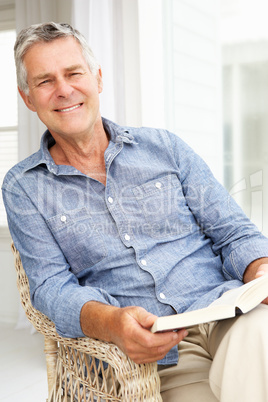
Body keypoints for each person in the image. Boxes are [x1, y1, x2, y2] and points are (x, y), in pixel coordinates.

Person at [2, 22, 268, 401]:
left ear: (97, 79)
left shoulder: (164, 147)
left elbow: (234, 231)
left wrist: (260, 271)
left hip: (228, 314)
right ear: (28, 98)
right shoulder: (23, 186)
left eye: (74, 73)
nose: (63, 90)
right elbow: (50, 288)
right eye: (45, 81)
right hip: (156, 356)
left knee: (263, 332)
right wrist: (111, 323)